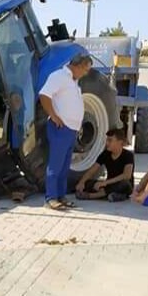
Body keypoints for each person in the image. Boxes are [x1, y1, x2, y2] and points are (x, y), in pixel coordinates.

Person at [39, 53, 93, 210]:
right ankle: (50, 198)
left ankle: (61, 196)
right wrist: (54, 116)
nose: (86, 73)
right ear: (77, 65)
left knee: (64, 166)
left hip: (71, 129)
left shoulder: (73, 81)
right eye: (85, 69)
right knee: (56, 164)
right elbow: (44, 95)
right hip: (60, 128)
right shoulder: (59, 76)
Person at [75, 128, 134, 202]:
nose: (107, 143)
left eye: (110, 140)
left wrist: (105, 183)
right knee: (88, 183)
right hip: (109, 184)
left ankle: (92, 196)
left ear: (120, 142)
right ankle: (113, 195)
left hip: (122, 185)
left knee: (124, 183)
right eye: (107, 140)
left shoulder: (128, 155)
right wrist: (82, 182)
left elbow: (126, 175)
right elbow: (92, 170)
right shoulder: (105, 154)